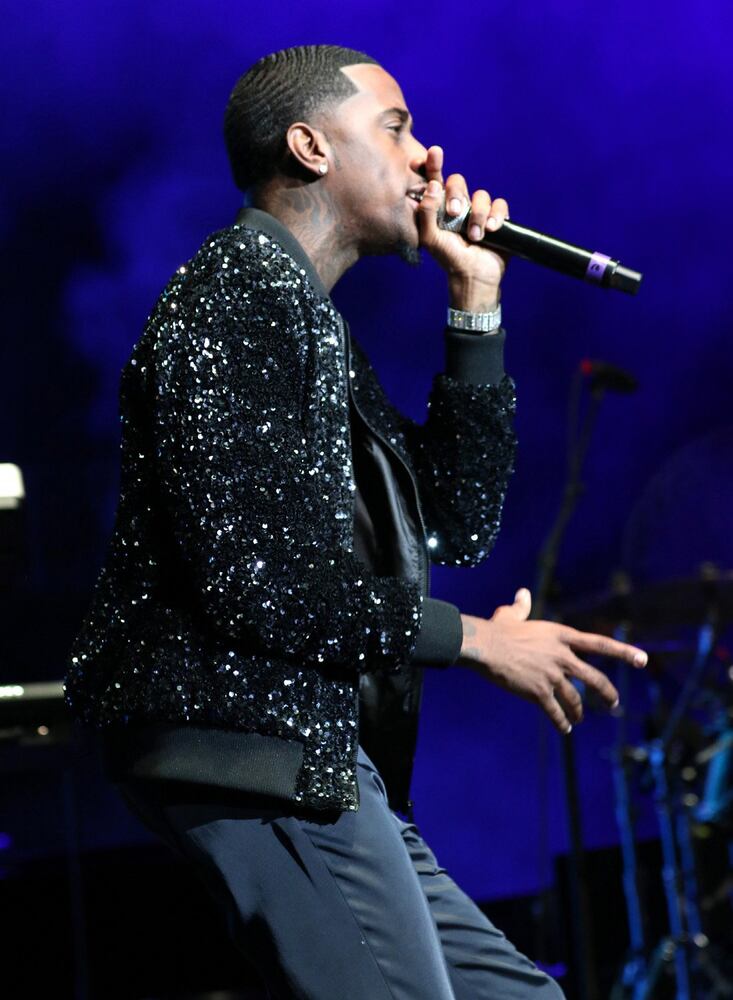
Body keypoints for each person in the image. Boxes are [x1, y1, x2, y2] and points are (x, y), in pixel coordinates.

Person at [64, 44, 648, 1000]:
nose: (427, 157)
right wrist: (475, 641)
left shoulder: (306, 317)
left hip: (321, 756)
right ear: (310, 146)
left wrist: (475, 303)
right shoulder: (236, 298)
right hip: (254, 749)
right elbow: (257, 581)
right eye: (397, 127)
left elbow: (449, 524)